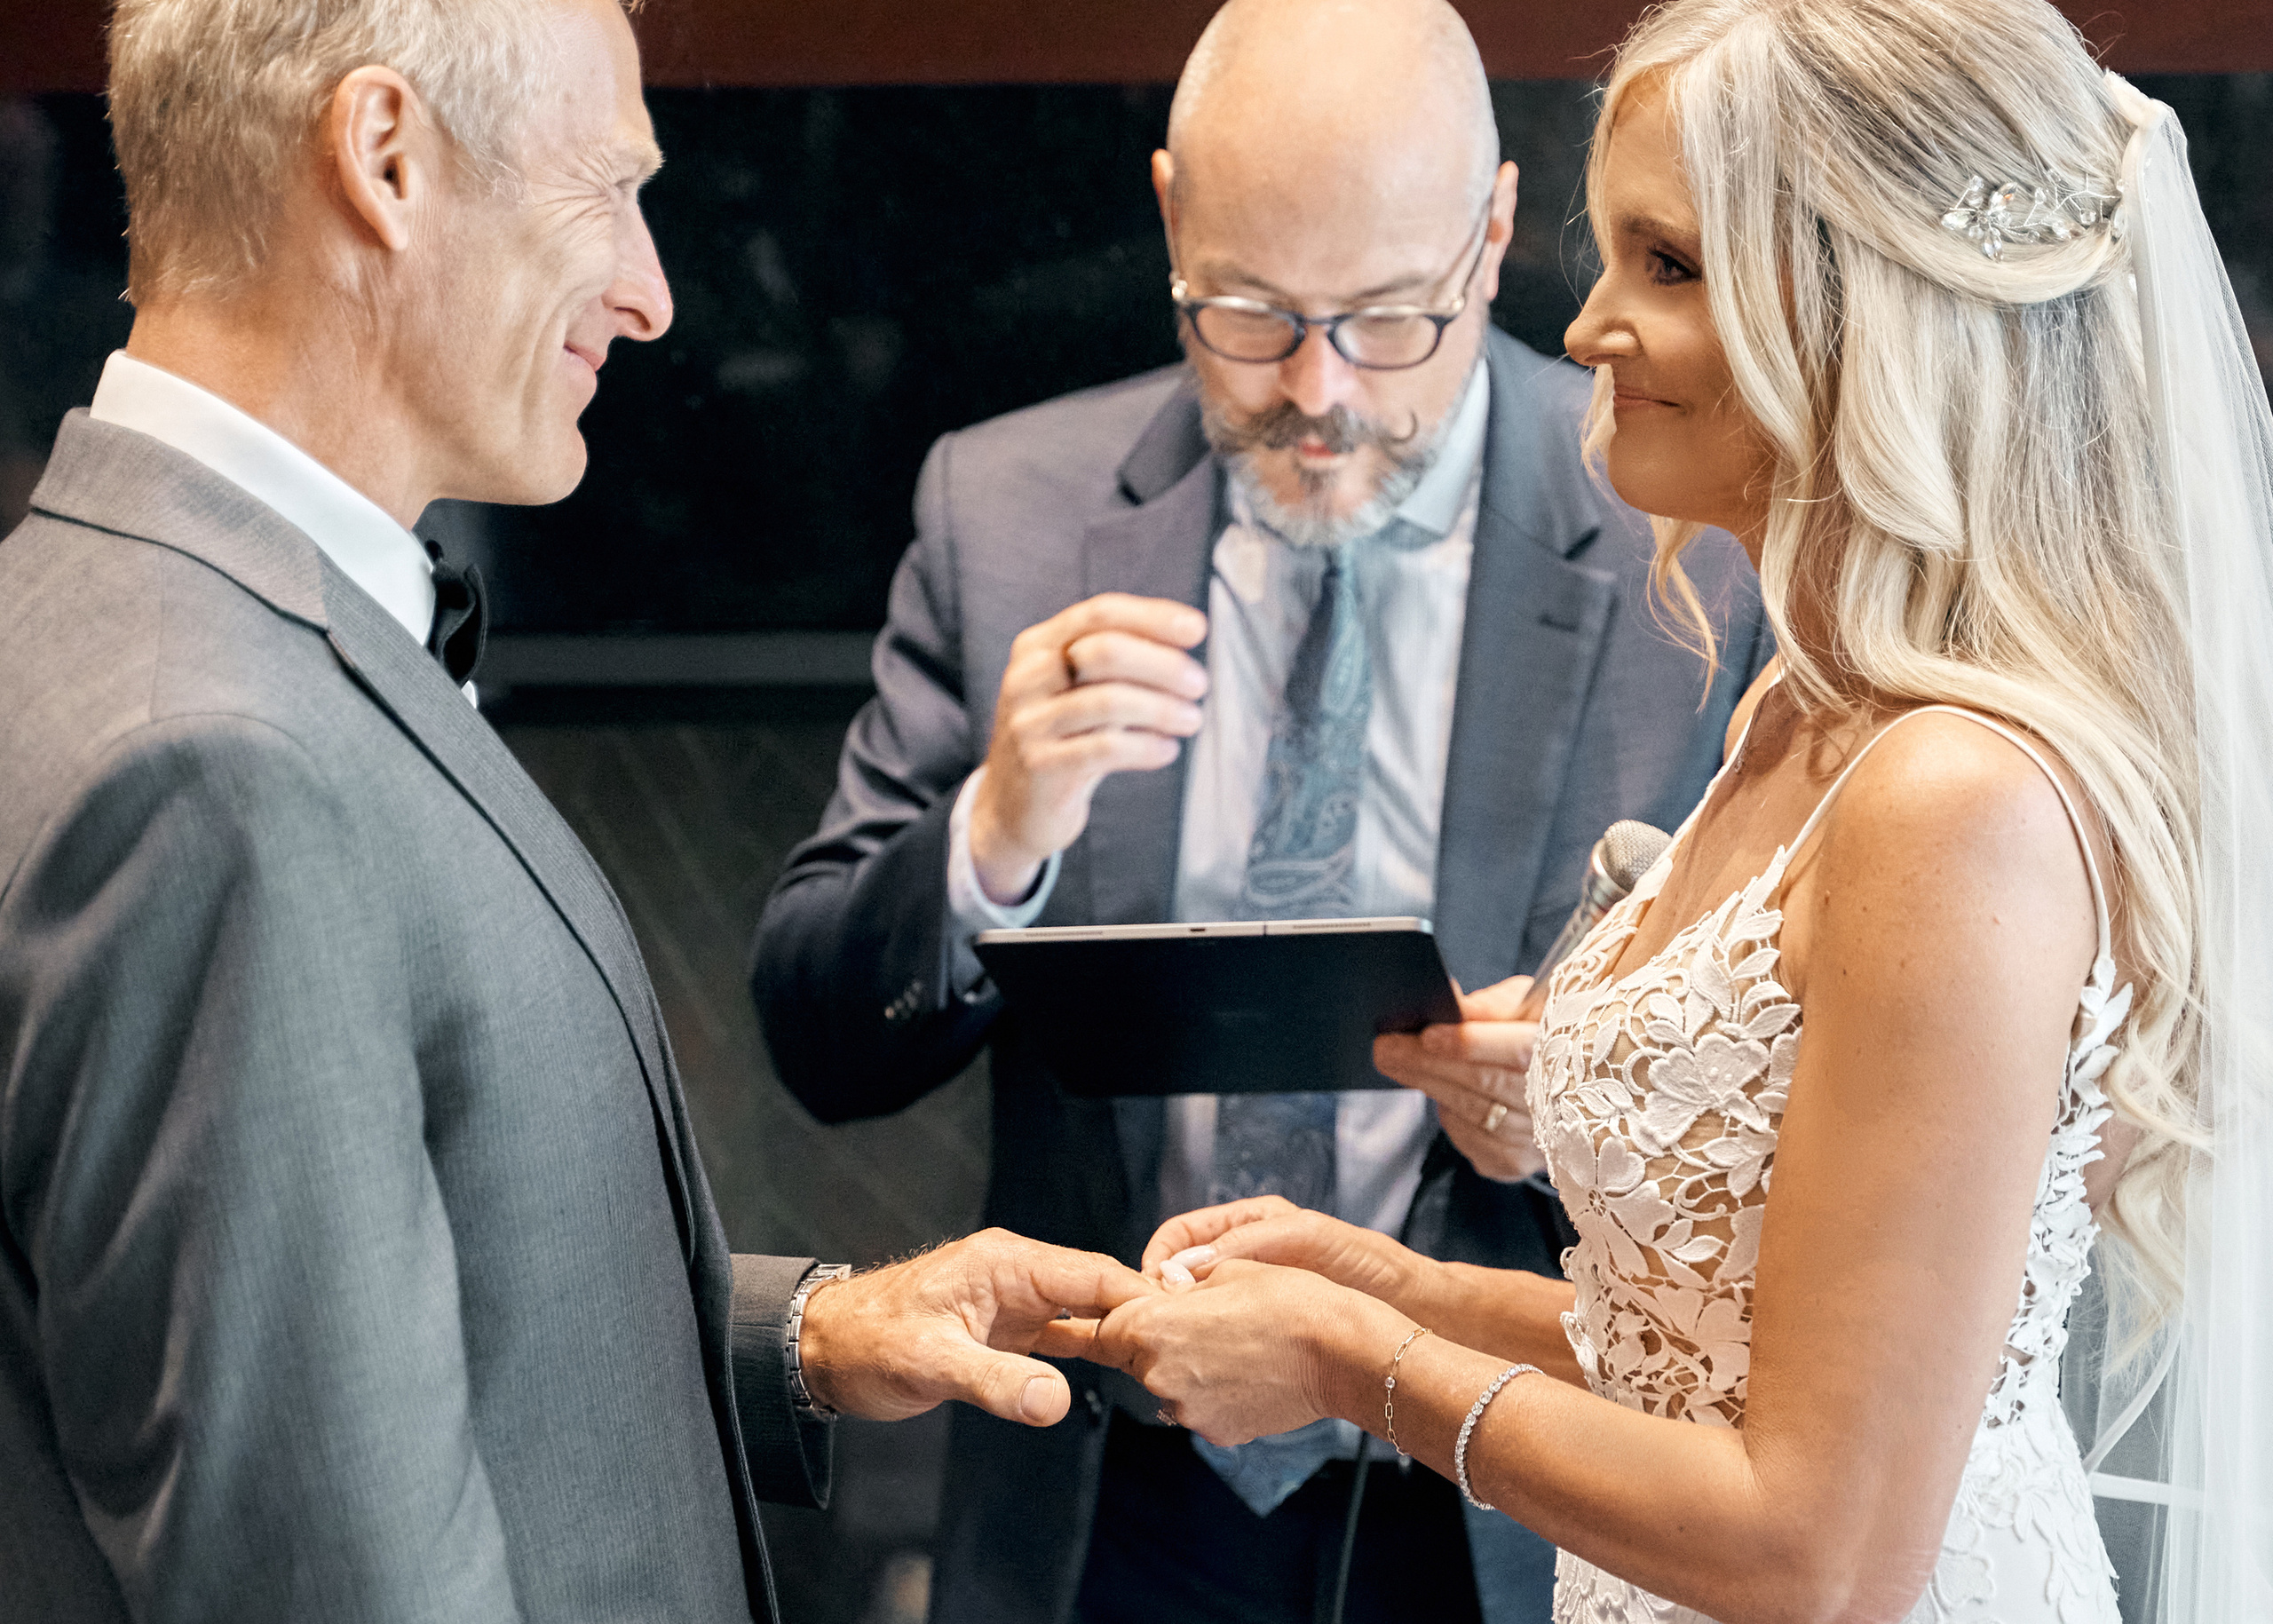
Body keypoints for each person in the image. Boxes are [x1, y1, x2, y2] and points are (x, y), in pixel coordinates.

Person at [1069, 0, 2273, 1618]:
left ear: (1867, 310)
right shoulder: (1798, 708)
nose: (1587, 329)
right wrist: (1395, 1282)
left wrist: (1363, 1363)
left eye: (1671, 265)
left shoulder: (1953, 796)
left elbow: (1821, 1550)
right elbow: (1717, 1349)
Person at [0, 4, 1157, 1620]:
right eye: (606, 190)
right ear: (386, 159)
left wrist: (810, 1339)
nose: (654, 290)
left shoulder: (103, 612)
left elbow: (332, 1312)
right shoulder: (220, 768)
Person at [749, 3, 1769, 1620]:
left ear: (1495, 231)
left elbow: (1811, 1091)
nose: (1316, 388)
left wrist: (1579, 1106)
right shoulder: (1002, 510)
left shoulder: (1696, 548)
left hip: (1511, 1490)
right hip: (1110, 1481)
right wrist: (995, 833)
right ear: (1169, 219)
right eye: (1247, 315)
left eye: (1385, 321)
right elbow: (820, 1033)